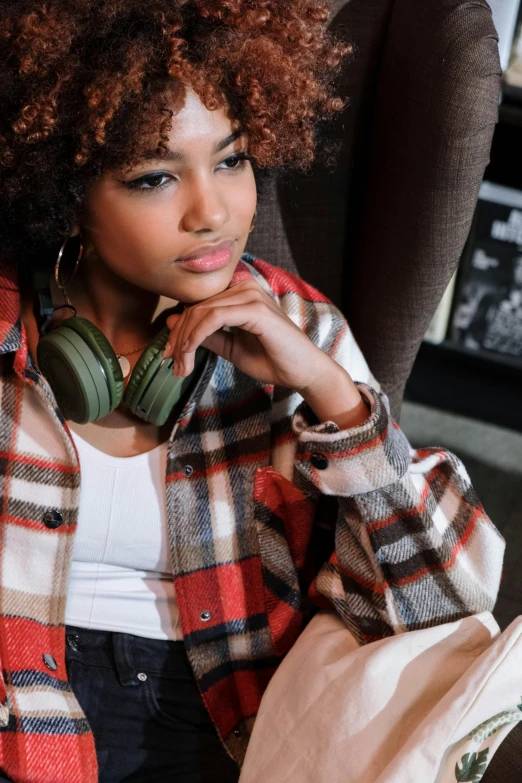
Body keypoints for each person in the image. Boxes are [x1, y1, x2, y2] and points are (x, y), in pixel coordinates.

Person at [0, 2, 505, 782]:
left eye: (231, 161)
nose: (214, 213)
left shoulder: (298, 327)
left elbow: (446, 608)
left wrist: (330, 391)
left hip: (216, 723)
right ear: (68, 190)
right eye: (155, 175)